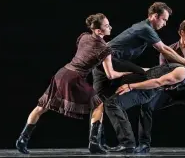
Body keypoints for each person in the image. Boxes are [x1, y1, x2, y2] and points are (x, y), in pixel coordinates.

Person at [16, 13, 133, 154]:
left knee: (42, 106)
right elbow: (111, 75)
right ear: (98, 31)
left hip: (62, 73)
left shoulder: (84, 37)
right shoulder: (105, 50)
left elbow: (86, 50)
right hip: (73, 77)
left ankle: (22, 140)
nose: (111, 27)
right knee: (99, 105)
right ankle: (94, 143)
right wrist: (128, 73)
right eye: (107, 25)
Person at [92, 2, 185, 152]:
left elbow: (167, 77)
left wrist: (131, 86)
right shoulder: (145, 28)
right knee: (141, 81)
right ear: (154, 16)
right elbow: (163, 51)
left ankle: (100, 143)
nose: (165, 23)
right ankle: (135, 144)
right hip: (110, 61)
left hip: (114, 65)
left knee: (105, 102)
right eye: (164, 19)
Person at [136, 19, 185, 153]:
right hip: (167, 89)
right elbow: (163, 73)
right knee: (146, 106)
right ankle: (144, 144)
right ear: (182, 33)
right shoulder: (167, 50)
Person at [104, 62, 185, 153]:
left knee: (112, 104)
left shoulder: (182, 71)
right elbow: (154, 70)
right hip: (144, 86)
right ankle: (133, 144)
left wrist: (130, 86)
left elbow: (158, 82)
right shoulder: (178, 67)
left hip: (146, 91)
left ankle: (128, 144)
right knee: (141, 108)